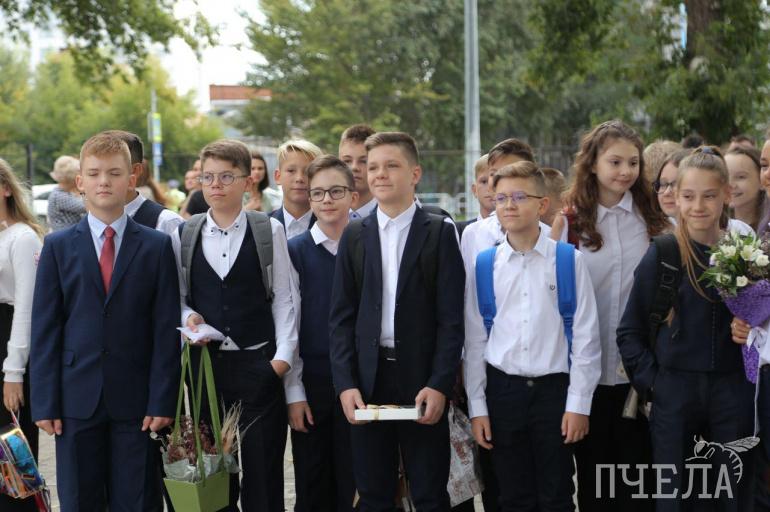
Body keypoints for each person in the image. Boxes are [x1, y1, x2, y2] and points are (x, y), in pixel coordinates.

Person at [30, 132, 181, 512]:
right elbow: (46, 327)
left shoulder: (156, 246)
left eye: (114, 173)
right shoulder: (58, 246)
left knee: (138, 498)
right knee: (80, 499)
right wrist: (44, 402)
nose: (104, 182)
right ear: (80, 181)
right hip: (75, 399)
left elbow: (165, 329)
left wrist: (163, 398)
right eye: (94, 174)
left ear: (132, 179)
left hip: (138, 401)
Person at [329, 131, 465, 511]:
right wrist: (345, 384)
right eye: (372, 167)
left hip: (421, 379)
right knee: (373, 493)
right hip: (368, 381)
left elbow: (451, 320)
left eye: (391, 165)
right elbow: (341, 319)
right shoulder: (354, 234)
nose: (379, 174)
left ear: (415, 173)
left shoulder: (439, 232)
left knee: (429, 493)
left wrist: (439, 384)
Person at [617, 146, 755, 511]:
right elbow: (629, 331)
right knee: (674, 497)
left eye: (709, 196)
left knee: (732, 495)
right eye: (689, 196)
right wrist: (655, 385)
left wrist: (752, 330)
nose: (698, 206)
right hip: (674, 392)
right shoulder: (663, 253)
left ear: (726, 195)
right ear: (675, 198)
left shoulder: (746, 254)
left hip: (732, 392)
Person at [464, 161, 601, 511]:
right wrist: (478, 408)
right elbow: (476, 341)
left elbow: (586, 339)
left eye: (520, 196)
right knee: (512, 495)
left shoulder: (568, 261)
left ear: (542, 205)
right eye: (501, 198)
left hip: (554, 392)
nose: (509, 205)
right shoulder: (485, 265)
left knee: (557, 493)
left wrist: (578, 405)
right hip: (503, 392)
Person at [550, 120, 669, 511]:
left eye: (633, 162)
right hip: (587, 373)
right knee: (594, 481)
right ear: (593, 163)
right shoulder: (569, 223)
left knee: (639, 482)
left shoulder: (653, 221)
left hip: (641, 373)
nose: (625, 171)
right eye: (615, 162)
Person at [173, 139, 299, 511]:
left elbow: (285, 298)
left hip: (258, 366)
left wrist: (281, 361)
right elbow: (177, 298)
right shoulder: (185, 233)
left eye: (227, 176)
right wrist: (188, 317)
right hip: (206, 372)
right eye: (208, 176)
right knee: (214, 477)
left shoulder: (267, 231)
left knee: (263, 477)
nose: (216, 185)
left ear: (247, 180)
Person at [286, 155, 358, 512]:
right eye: (318, 193)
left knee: (357, 483)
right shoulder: (295, 251)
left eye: (336, 191)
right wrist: (294, 392)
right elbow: (289, 325)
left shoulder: (369, 244)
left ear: (353, 196)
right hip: (313, 382)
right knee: (313, 485)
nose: (326, 200)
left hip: (361, 382)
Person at [0, 158, 44, 512]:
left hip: (9, 351)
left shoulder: (22, 236)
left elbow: (27, 309)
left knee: (14, 457)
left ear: (5, 189)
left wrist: (14, 372)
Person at [104, 130, 184, 236]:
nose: (102, 181)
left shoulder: (166, 222)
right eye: (93, 173)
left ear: (135, 171)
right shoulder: (89, 223)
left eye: (113, 172)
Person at [270, 139, 323, 239]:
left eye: (307, 172)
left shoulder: (329, 227)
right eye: (291, 171)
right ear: (278, 176)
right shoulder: (261, 227)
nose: (299, 178)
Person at [339, 124, 377, 218]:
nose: (354, 167)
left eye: (364, 161)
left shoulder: (391, 216)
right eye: (347, 161)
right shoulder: (323, 217)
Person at [726, 147, 766, 232]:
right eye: (725, 177)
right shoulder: (715, 225)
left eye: (741, 177)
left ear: (762, 180)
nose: (730, 184)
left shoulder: (767, 228)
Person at [47, 155, 86, 232]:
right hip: (65, 238)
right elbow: (88, 207)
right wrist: (84, 190)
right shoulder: (59, 196)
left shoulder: (61, 194)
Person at [457, 154, 492, 238]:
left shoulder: (519, 231)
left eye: (497, 181)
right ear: (475, 190)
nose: (490, 187)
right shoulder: (459, 233)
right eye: (484, 181)